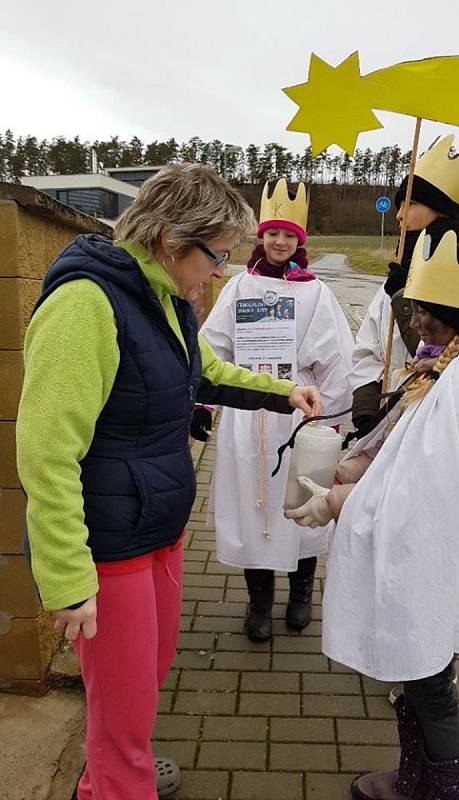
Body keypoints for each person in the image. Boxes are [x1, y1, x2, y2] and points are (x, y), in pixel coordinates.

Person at [16, 164, 323, 800]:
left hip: (158, 527)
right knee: (123, 713)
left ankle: (107, 773)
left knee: (144, 680)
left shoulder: (165, 300)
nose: (220, 272)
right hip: (109, 548)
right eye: (216, 256)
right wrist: (68, 580)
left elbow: (205, 373)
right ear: (169, 240)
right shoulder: (84, 306)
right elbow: (46, 455)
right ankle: (118, 777)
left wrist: (284, 391)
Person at [286, 229, 459, 800]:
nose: (415, 323)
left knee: (429, 678)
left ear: (458, 316)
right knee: (414, 672)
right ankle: (415, 778)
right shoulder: (454, 364)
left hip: (432, 549)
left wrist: (336, 501)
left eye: (427, 315)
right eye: (415, 310)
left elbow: (420, 488)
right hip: (433, 545)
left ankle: (447, 791)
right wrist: (351, 467)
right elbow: (404, 448)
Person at [201, 178, 353, 642]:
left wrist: (329, 420)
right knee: (253, 504)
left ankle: (302, 592)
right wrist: (204, 401)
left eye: (289, 235)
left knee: (302, 496)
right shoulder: (240, 286)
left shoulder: (316, 292)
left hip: (298, 409)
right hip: (248, 413)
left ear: (300, 240)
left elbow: (336, 358)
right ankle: (259, 602)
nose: (280, 242)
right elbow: (212, 348)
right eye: (273, 233)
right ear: (260, 236)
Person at [350, 135, 459, 440]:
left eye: (410, 203)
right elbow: (369, 347)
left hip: (445, 426)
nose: (398, 215)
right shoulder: (397, 276)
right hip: (388, 422)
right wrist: (367, 410)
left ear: (439, 209)